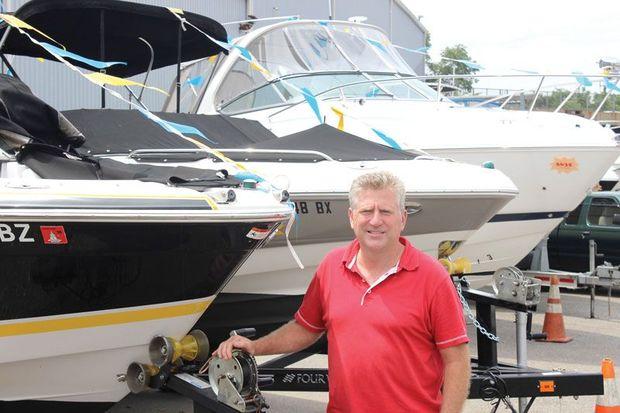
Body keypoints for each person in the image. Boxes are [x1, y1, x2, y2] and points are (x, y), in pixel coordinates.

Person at [215, 171, 471, 412]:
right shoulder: (331, 267)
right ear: (351, 217)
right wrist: (255, 347)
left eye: (385, 211)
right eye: (366, 211)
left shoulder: (432, 277)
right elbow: (306, 328)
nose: (375, 220)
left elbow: (457, 361)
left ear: (402, 218)